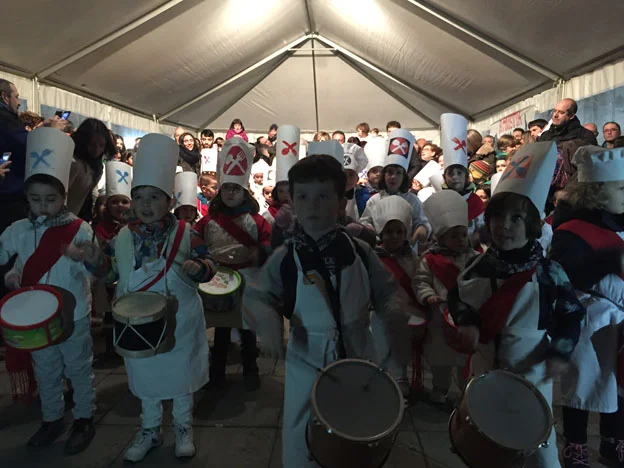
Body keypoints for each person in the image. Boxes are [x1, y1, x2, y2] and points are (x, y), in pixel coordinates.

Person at [244, 154, 409, 468]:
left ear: (341, 202)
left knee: (358, 430)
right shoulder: (286, 256)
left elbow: (387, 292)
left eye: (323, 196)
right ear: (293, 203)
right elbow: (258, 295)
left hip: (359, 351)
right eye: (303, 197)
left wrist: (393, 316)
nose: (313, 206)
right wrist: (269, 326)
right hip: (307, 356)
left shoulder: (360, 251)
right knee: (302, 431)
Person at [449, 142, 586, 468]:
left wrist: (560, 353)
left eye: (516, 218)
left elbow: (571, 315)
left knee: (540, 451)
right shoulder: (477, 266)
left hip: (532, 375)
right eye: (497, 216)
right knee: (485, 446)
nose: (505, 225)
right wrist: (466, 321)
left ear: (533, 224)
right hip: (486, 373)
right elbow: (458, 298)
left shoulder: (549, 272)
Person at [95, 134, 215, 462]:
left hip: (180, 318)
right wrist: (92, 260)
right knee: (145, 377)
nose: (146, 205)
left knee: (180, 375)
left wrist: (199, 268)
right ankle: (149, 429)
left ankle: (182, 427)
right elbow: (110, 274)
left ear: (169, 201)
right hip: (137, 320)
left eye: (154, 197)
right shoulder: (122, 237)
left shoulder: (187, 233)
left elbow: (210, 265)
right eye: (139, 197)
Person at [0, 128, 97, 453]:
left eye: (51, 199)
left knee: (78, 368)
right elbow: (10, 259)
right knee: (46, 369)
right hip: (35, 316)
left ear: (64, 197)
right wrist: (13, 275)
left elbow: (97, 270)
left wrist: (87, 257)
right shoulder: (17, 230)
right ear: (26, 197)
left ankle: (84, 417)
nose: (43, 206)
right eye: (35, 199)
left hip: (73, 314)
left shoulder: (80, 229)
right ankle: (52, 418)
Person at [550, 146, 624, 467]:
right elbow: (568, 273)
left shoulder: (619, 223)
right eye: (621, 189)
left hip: (617, 322)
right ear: (597, 192)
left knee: (617, 384)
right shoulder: (570, 230)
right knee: (582, 382)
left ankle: (613, 440)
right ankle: (575, 443)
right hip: (587, 320)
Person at [193, 138, 270, 391]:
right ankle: (216, 373)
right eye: (226, 189)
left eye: (235, 189)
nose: (230, 193)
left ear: (244, 191)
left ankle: (250, 370)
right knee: (221, 330)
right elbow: (194, 237)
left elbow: (268, 241)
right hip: (218, 278)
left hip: (247, 279)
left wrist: (261, 253)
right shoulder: (209, 221)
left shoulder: (256, 220)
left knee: (247, 329)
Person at [414, 190, 477, 403]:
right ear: (441, 238)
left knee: (466, 359)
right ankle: (440, 388)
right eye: (453, 236)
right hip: (439, 318)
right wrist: (428, 295)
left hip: (466, 317)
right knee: (440, 359)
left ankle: (466, 392)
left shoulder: (476, 259)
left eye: (463, 235)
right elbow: (421, 281)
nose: (460, 240)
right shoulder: (430, 260)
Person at [368, 195, 421, 396]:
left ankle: (400, 377)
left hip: (406, 310)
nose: (394, 236)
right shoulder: (373, 257)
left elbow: (417, 281)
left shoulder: (412, 258)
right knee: (381, 344)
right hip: (379, 310)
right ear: (381, 233)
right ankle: (381, 377)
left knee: (400, 346)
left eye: (400, 231)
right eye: (389, 231)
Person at [360, 130, 430, 245]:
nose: (393, 177)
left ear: (404, 177)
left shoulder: (412, 200)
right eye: (390, 172)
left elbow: (422, 220)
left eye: (398, 173)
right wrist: (369, 229)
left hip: (407, 249)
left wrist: (422, 228)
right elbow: (365, 221)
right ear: (384, 175)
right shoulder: (374, 200)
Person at [440, 114, 486, 241]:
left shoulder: (475, 201)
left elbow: (482, 228)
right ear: (444, 177)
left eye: (459, 173)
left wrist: (472, 240)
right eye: (451, 174)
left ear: (466, 177)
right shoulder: (440, 200)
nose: (455, 177)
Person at [67, 118, 115, 221]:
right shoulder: (73, 163)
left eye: (101, 145)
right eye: (92, 144)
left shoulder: (96, 165)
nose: (97, 149)